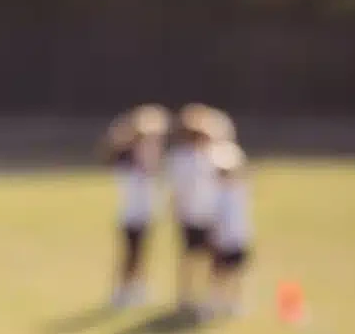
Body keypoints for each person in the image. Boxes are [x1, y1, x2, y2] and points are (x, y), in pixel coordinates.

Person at [100, 104, 169, 308]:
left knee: (141, 254)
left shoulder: (144, 164)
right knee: (130, 256)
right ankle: (121, 291)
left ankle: (137, 287)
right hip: (131, 215)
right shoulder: (127, 164)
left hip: (146, 214)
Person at [165, 103, 228, 313]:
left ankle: (210, 297)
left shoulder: (214, 154)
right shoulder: (182, 158)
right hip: (191, 215)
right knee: (190, 257)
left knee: (212, 257)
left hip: (211, 214)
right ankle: (186, 297)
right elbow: (177, 188)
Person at [205, 139, 254, 316]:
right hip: (221, 241)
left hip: (238, 239)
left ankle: (234, 303)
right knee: (218, 274)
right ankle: (214, 302)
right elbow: (214, 219)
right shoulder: (216, 194)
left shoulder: (240, 190)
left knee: (236, 274)